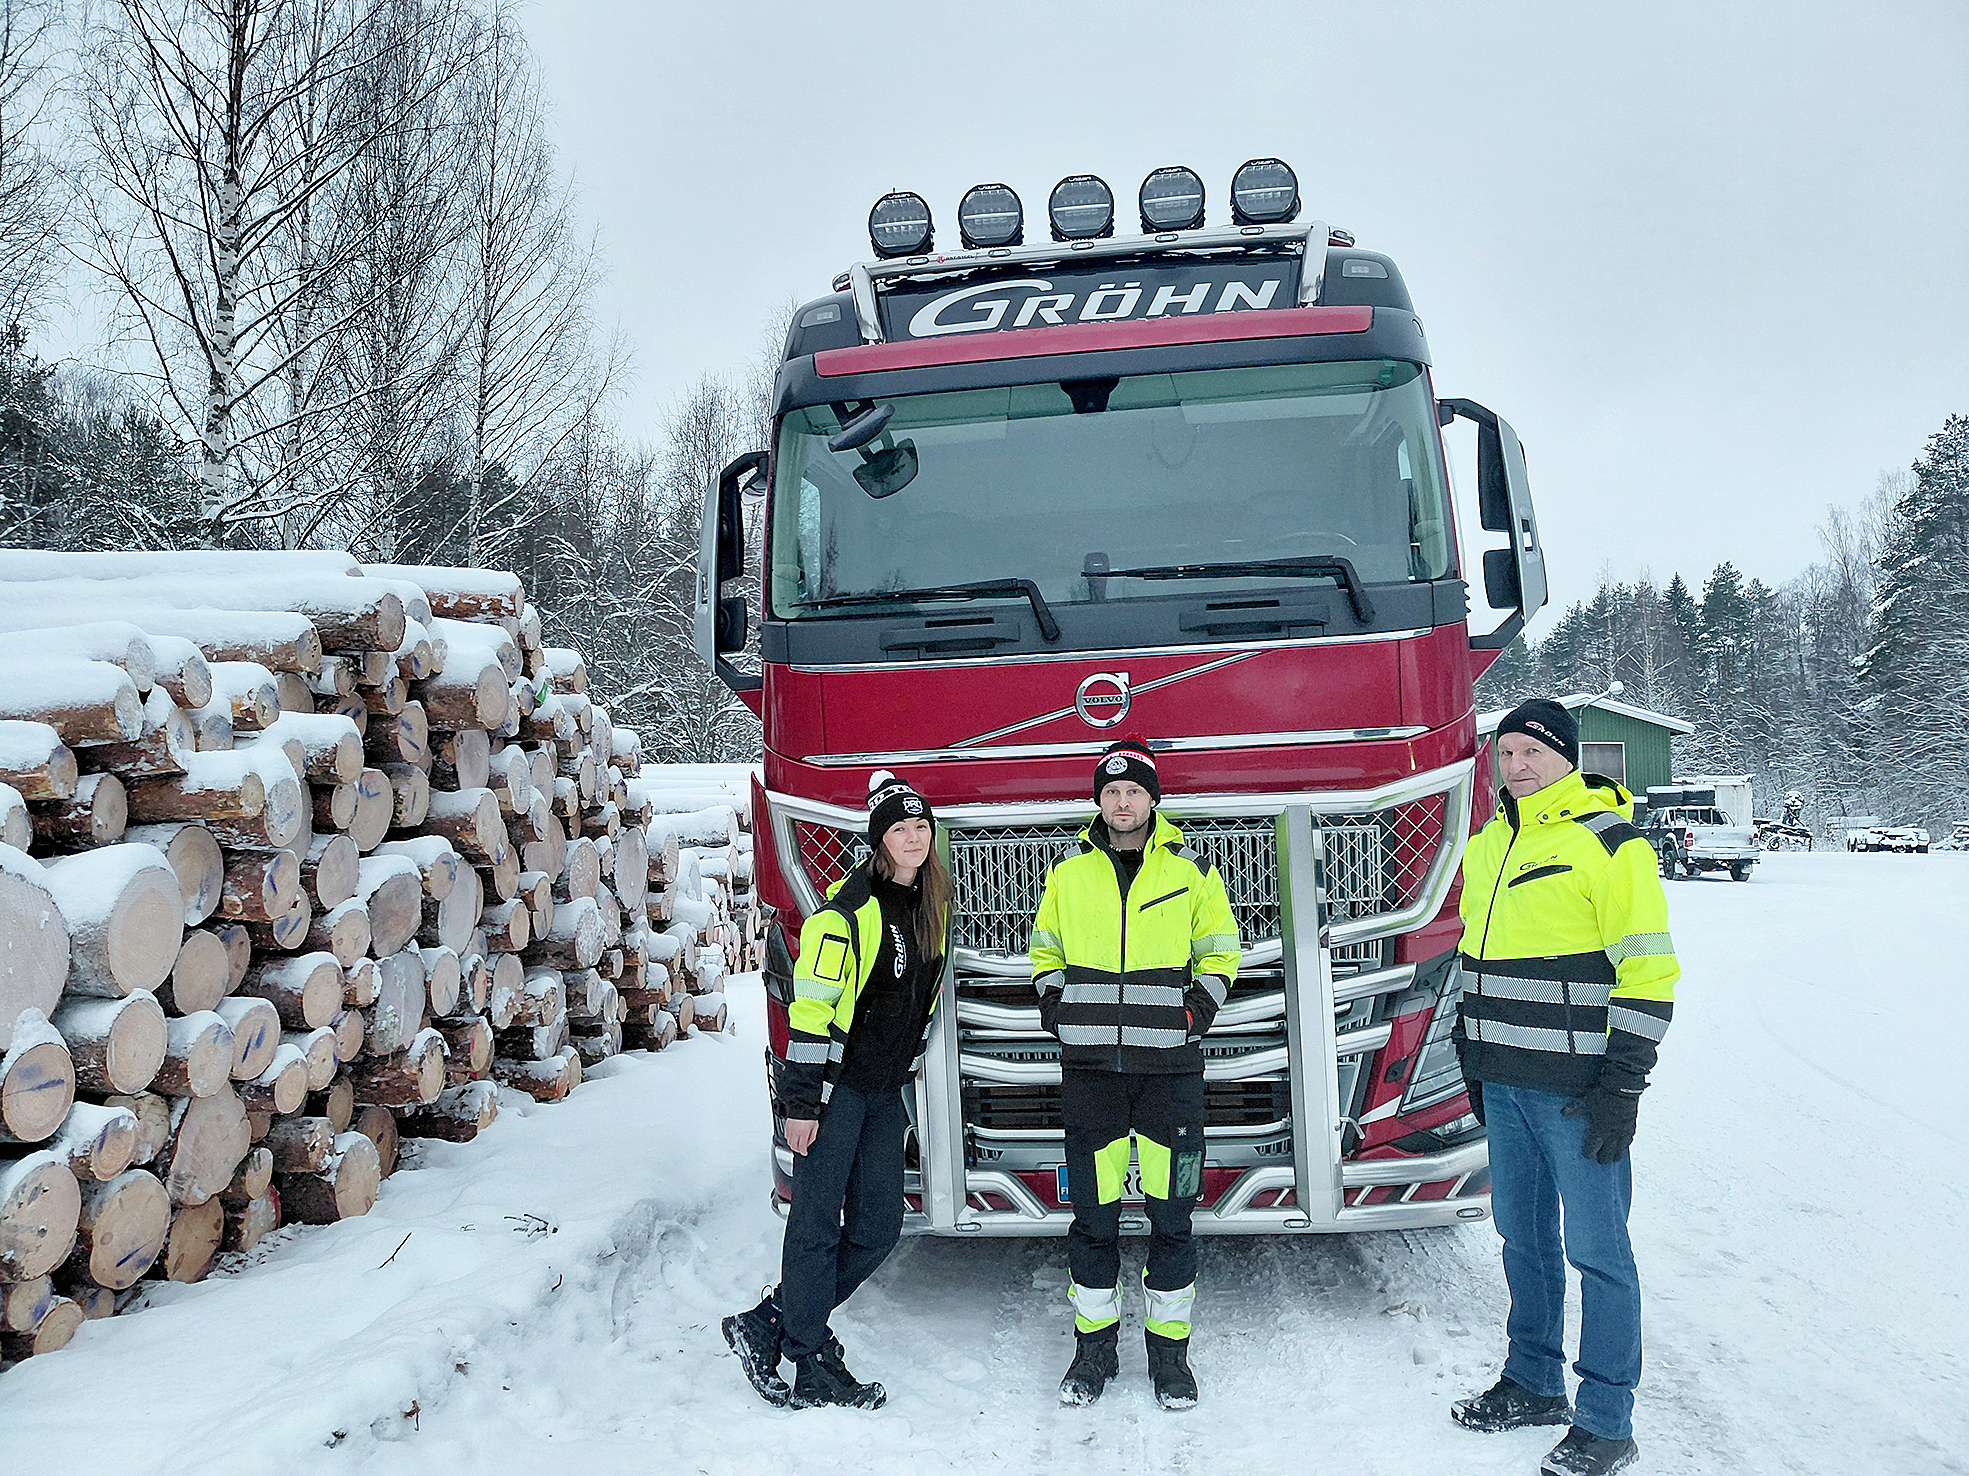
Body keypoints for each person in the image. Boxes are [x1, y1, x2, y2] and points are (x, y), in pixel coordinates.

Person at [1450, 699, 1679, 1476]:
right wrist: (1467, 1050)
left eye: (1532, 752)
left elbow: (1648, 969)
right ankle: (1532, 1381)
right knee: (1522, 1240)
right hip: (1506, 1084)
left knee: (1598, 1253)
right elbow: (1471, 960)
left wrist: (1623, 1081)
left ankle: (1607, 1420)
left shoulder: (1608, 843)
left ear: (1566, 758)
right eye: (1505, 752)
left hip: (1579, 1092)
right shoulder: (1486, 844)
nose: (1516, 766)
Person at [722, 769, 951, 1410]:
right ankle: (812, 1357)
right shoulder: (844, 916)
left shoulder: (928, 909)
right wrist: (800, 1104)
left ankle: (770, 1324)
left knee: (878, 1230)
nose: (913, 837)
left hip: (883, 1094)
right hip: (836, 1093)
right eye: (900, 828)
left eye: (920, 826)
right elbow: (812, 1013)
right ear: (879, 839)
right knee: (816, 1226)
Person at [1029, 736, 1240, 1411]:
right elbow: (1043, 946)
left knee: (1171, 1217)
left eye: (1133, 791)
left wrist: (1200, 1007)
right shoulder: (1068, 874)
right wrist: (1053, 1003)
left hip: (1167, 1076)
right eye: (1111, 792)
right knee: (1091, 1221)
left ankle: (1169, 1357)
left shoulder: (1190, 872)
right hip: (1090, 1073)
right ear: (1098, 801)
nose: (1122, 802)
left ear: (1152, 799)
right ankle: (1092, 1353)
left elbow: (1220, 946)